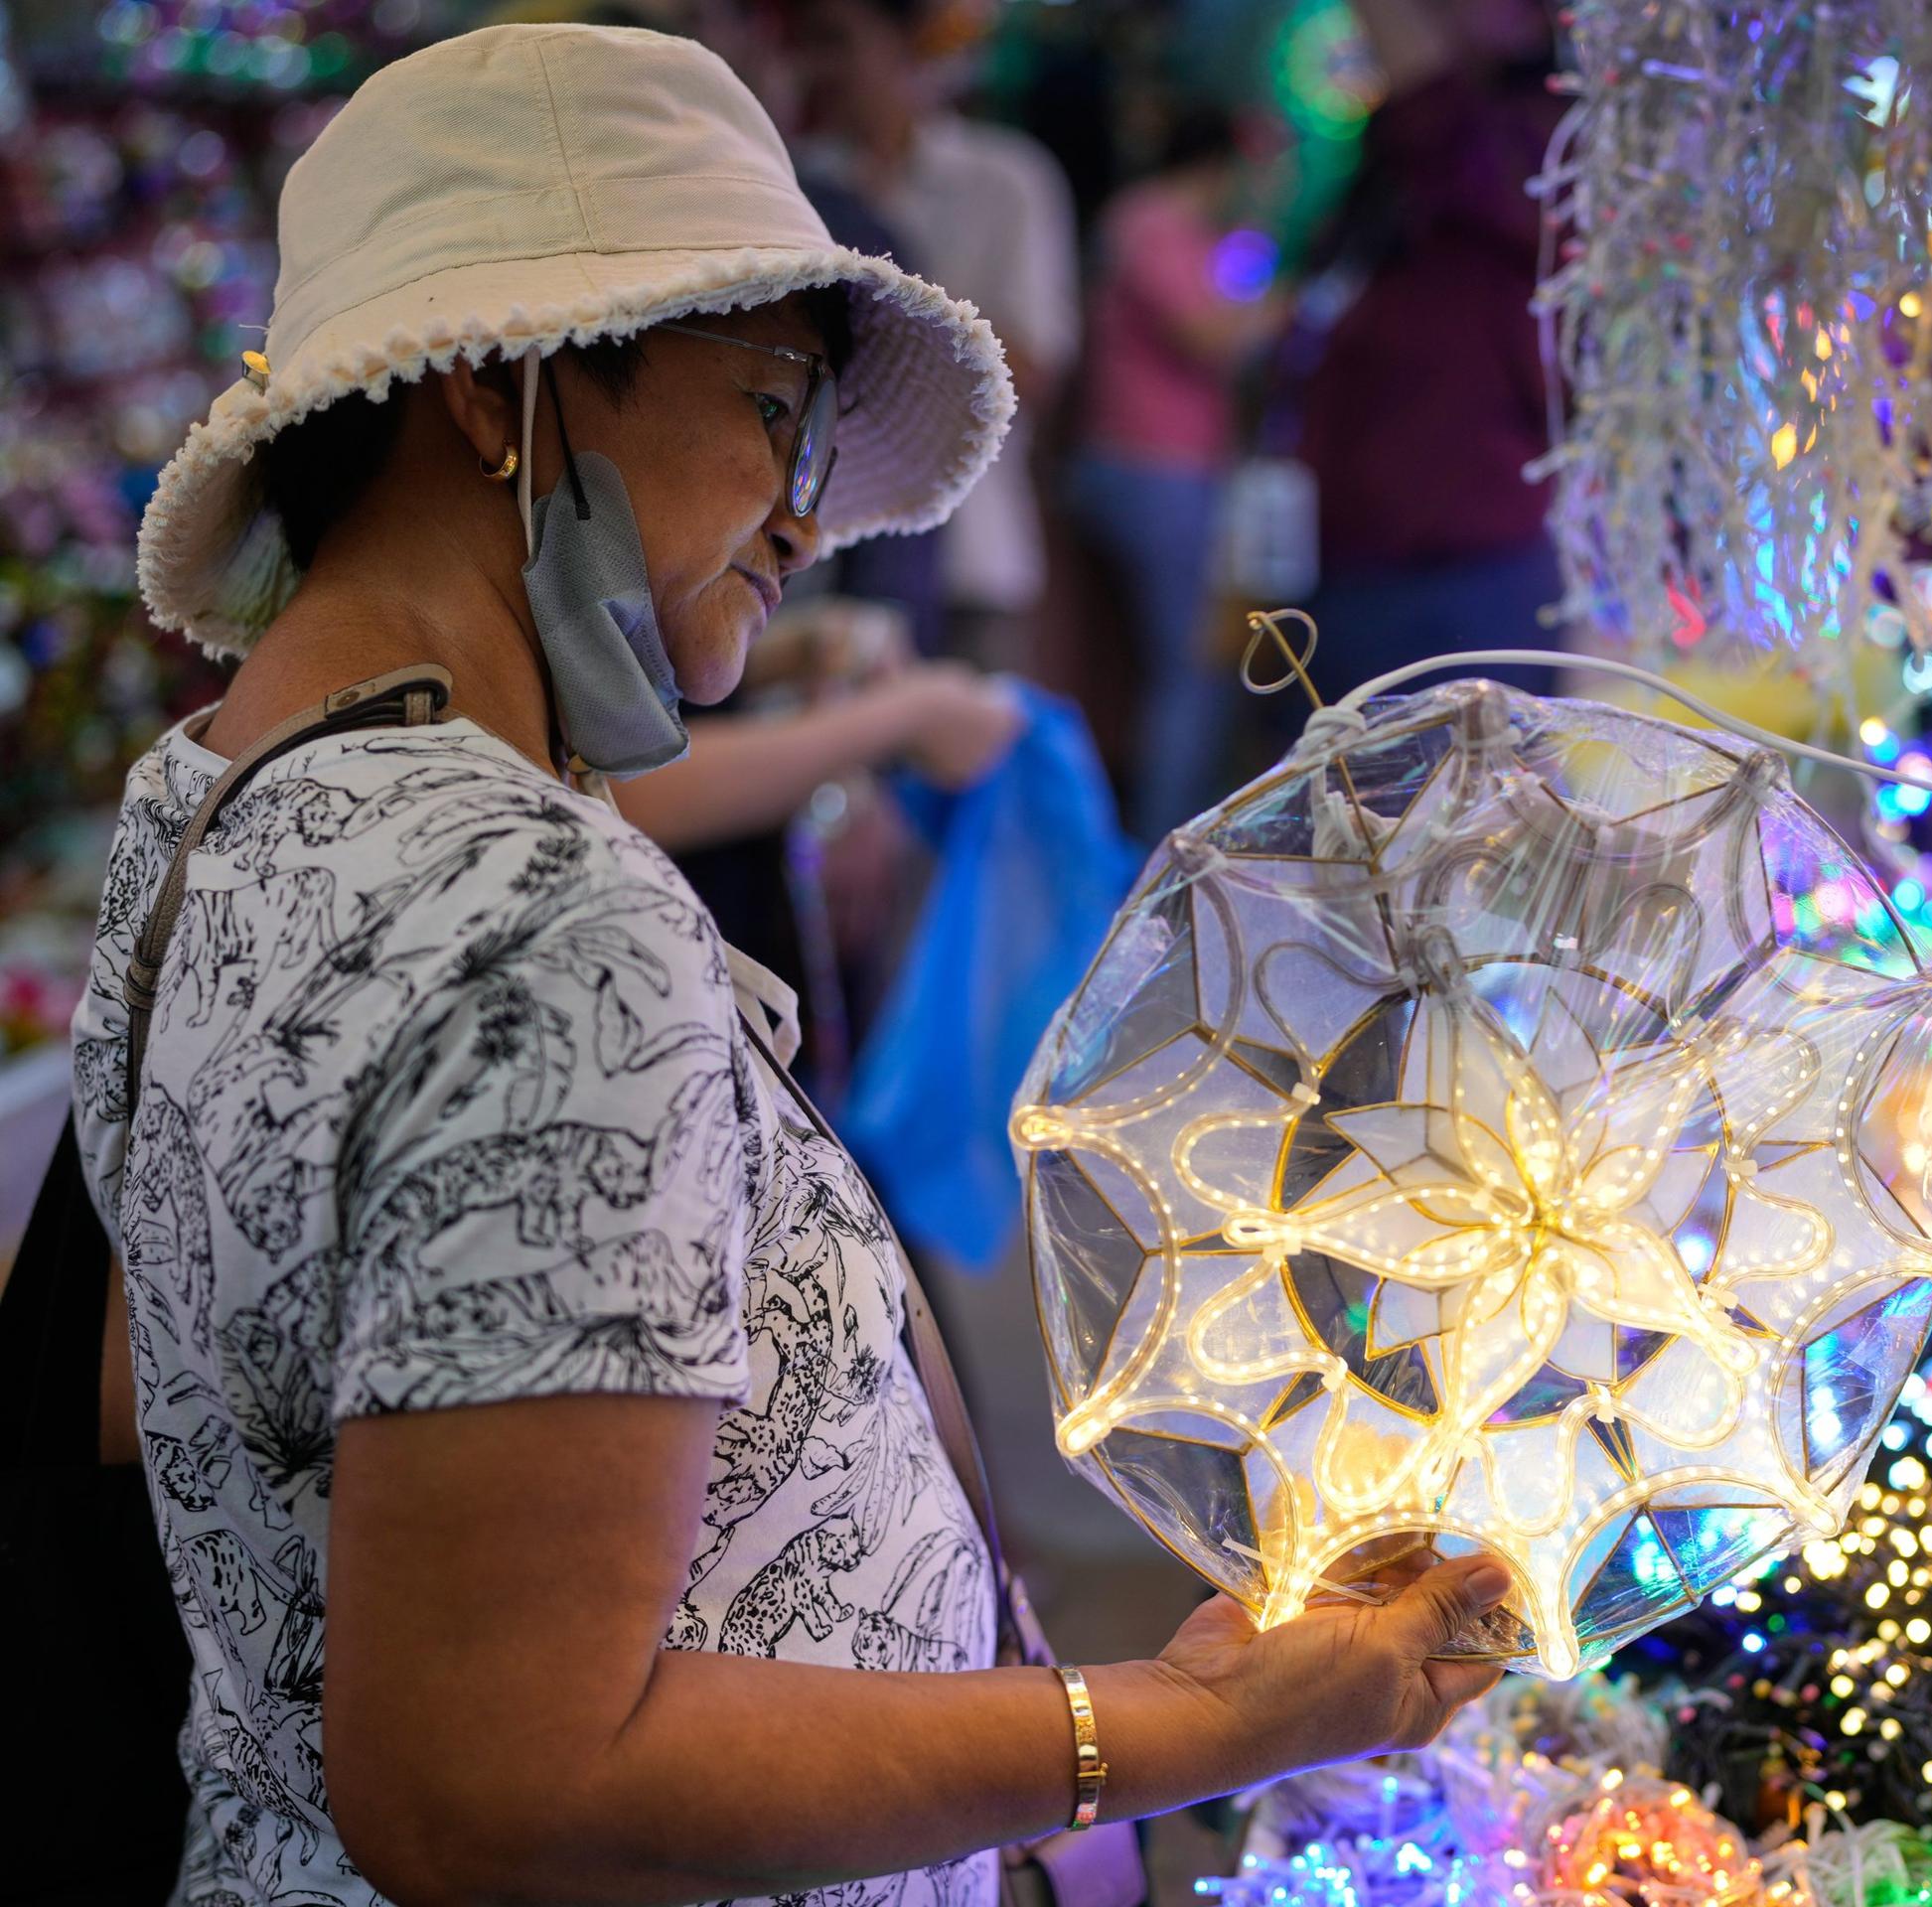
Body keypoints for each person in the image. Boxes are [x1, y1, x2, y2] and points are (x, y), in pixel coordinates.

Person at [81, 26, 1507, 1904]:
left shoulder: (212, 796)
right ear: (508, 397)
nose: (816, 511)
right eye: (776, 410)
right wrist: (1184, 1727)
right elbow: (499, 1789)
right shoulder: (535, 919)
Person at [791, 0, 1081, 672]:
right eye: (807, 44)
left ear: (910, 43)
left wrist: (889, 318)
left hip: (973, 554)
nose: (818, 67)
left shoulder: (1006, 180)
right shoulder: (793, 181)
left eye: (838, 41)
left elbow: (1036, 367)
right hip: (824, 564)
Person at [1293, 0, 1565, 706]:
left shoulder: (1536, 146)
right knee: (1356, 802)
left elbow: (1434, 108)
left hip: (1470, 559)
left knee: (1476, 807)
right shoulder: (1395, 164)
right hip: (1361, 555)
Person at [1069, 103, 1287, 834]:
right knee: (1191, 675)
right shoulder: (1151, 221)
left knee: (1180, 672)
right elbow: (1211, 335)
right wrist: (1291, 308)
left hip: (1169, 470)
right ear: (1221, 163)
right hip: (1152, 467)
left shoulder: (1191, 235)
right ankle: (1170, 847)